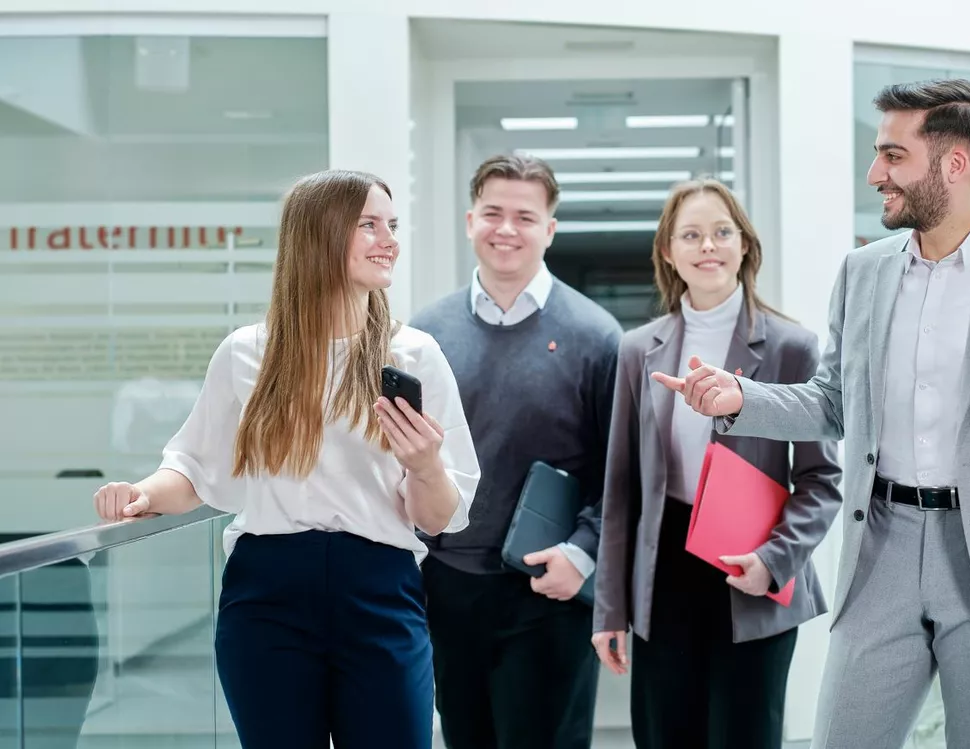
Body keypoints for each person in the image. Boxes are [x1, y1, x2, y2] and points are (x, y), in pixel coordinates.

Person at [655, 79, 970, 749]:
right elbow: (833, 403)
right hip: (882, 552)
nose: (875, 174)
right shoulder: (864, 272)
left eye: (893, 156)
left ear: (954, 164)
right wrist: (740, 398)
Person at [92, 169, 480, 749]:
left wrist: (425, 465)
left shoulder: (414, 353)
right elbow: (194, 469)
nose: (389, 240)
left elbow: (441, 515)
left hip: (379, 590)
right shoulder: (246, 352)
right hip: (266, 594)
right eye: (368, 225)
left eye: (391, 225)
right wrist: (144, 494)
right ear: (318, 236)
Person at [590, 178, 842, 749]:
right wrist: (609, 607)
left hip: (748, 568)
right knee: (666, 735)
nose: (708, 246)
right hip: (664, 574)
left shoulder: (790, 347)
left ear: (745, 246)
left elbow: (822, 479)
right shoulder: (638, 350)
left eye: (722, 232)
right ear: (668, 253)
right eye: (692, 235)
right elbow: (620, 489)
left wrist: (773, 560)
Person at [410, 153, 622, 749]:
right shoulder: (425, 336)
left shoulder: (596, 335)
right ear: (470, 219)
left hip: (547, 585)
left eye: (525, 217)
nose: (507, 229)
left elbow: (619, 471)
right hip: (448, 586)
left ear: (549, 230)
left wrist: (582, 554)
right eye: (494, 213)